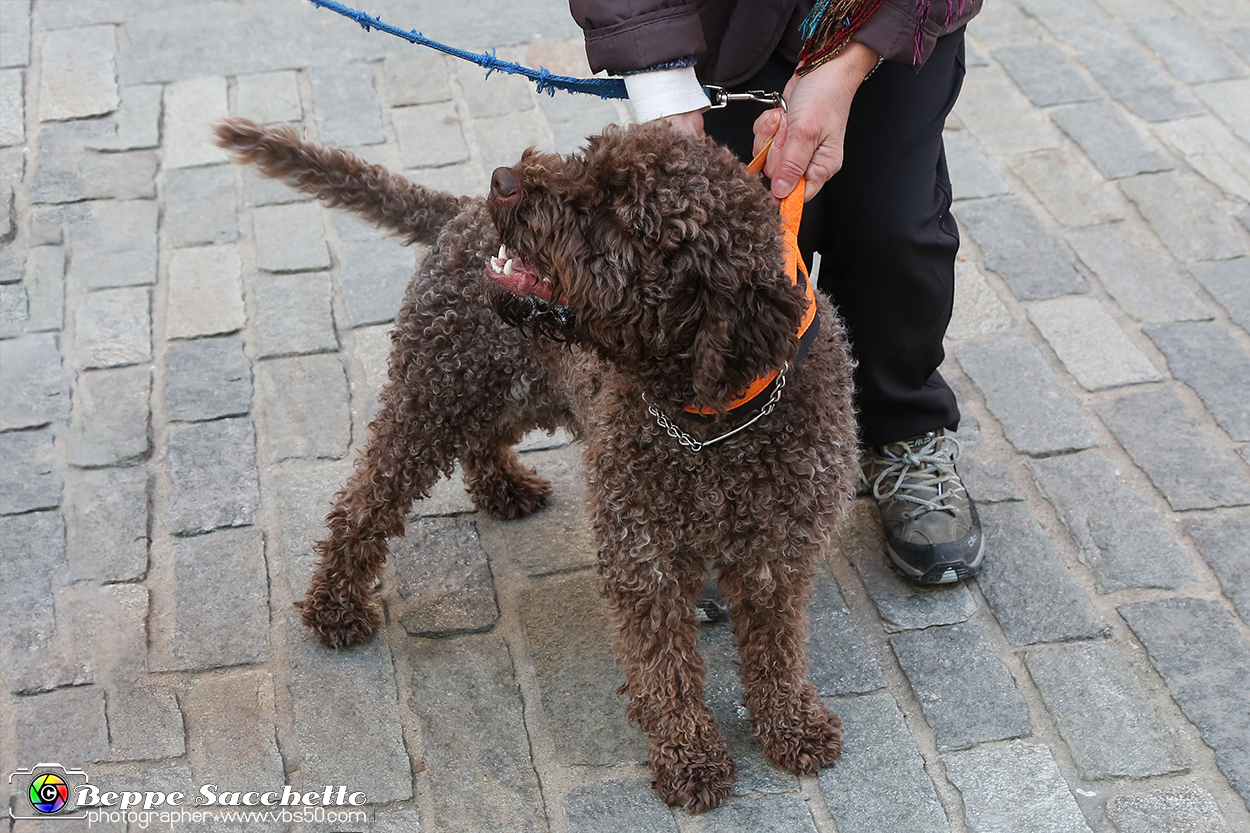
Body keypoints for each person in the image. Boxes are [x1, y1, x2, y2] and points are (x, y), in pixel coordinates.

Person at [569, 0, 985, 584]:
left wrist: (845, 60)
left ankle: (903, 426)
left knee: (895, 232)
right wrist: (662, 90)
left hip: (896, 20)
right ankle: (693, 468)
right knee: (712, 261)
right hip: (720, 29)